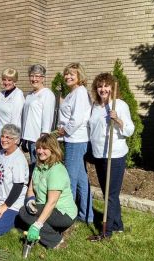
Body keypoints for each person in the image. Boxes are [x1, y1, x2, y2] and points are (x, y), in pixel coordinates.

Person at [89, 73, 135, 238]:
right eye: (100, 86)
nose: (103, 89)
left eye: (106, 86)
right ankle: (117, 225)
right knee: (107, 193)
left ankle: (106, 232)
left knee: (110, 194)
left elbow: (130, 130)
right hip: (99, 154)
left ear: (112, 88)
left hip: (114, 155)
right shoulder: (95, 106)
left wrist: (118, 120)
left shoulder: (119, 105)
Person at [19, 134, 77, 249]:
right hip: (44, 206)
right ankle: (55, 230)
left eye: (45, 148)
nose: (40, 151)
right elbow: (30, 189)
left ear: (53, 149)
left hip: (62, 212)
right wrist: (30, 201)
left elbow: (52, 202)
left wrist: (37, 225)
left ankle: (57, 241)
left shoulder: (56, 170)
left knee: (24, 214)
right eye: (38, 148)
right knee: (26, 212)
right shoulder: (39, 165)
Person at [57, 63, 94, 224]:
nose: (68, 77)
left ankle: (67, 216)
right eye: (66, 74)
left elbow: (77, 118)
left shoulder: (80, 92)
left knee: (70, 180)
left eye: (72, 74)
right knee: (81, 180)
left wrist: (65, 130)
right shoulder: (73, 93)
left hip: (76, 140)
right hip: (73, 139)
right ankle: (87, 215)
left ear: (80, 76)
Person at [0, 124, 29, 236]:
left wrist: (5, 206)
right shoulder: (0, 154)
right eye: (3, 136)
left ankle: (17, 218)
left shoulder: (18, 159)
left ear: (16, 140)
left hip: (13, 203)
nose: (3, 139)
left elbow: (18, 186)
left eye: (8, 137)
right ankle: (1, 214)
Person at [22, 64, 56, 167]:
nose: (34, 79)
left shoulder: (47, 94)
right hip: (29, 137)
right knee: (34, 164)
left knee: (39, 165)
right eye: (32, 76)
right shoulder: (29, 95)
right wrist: (23, 138)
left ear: (43, 78)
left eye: (37, 76)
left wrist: (43, 137)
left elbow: (48, 117)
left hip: (38, 138)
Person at [0, 68, 24, 150]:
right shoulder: (1, 94)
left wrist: (10, 138)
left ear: (14, 81)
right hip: (0, 136)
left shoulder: (18, 94)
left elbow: (16, 119)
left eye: (9, 80)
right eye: (4, 80)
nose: (6, 82)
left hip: (10, 138)